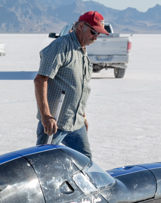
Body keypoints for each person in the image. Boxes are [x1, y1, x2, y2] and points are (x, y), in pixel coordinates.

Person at [33, 11, 108, 160]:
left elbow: (79, 86)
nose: (96, 37)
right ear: (81, 26)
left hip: (76, 122)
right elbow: (40, 80)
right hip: (55, 122)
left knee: (85, 161)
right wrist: (46, 116)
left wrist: (83, 116)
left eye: (99, 34)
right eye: (94, 32)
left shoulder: (82, 49)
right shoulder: (61, 46)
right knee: (44, 162)